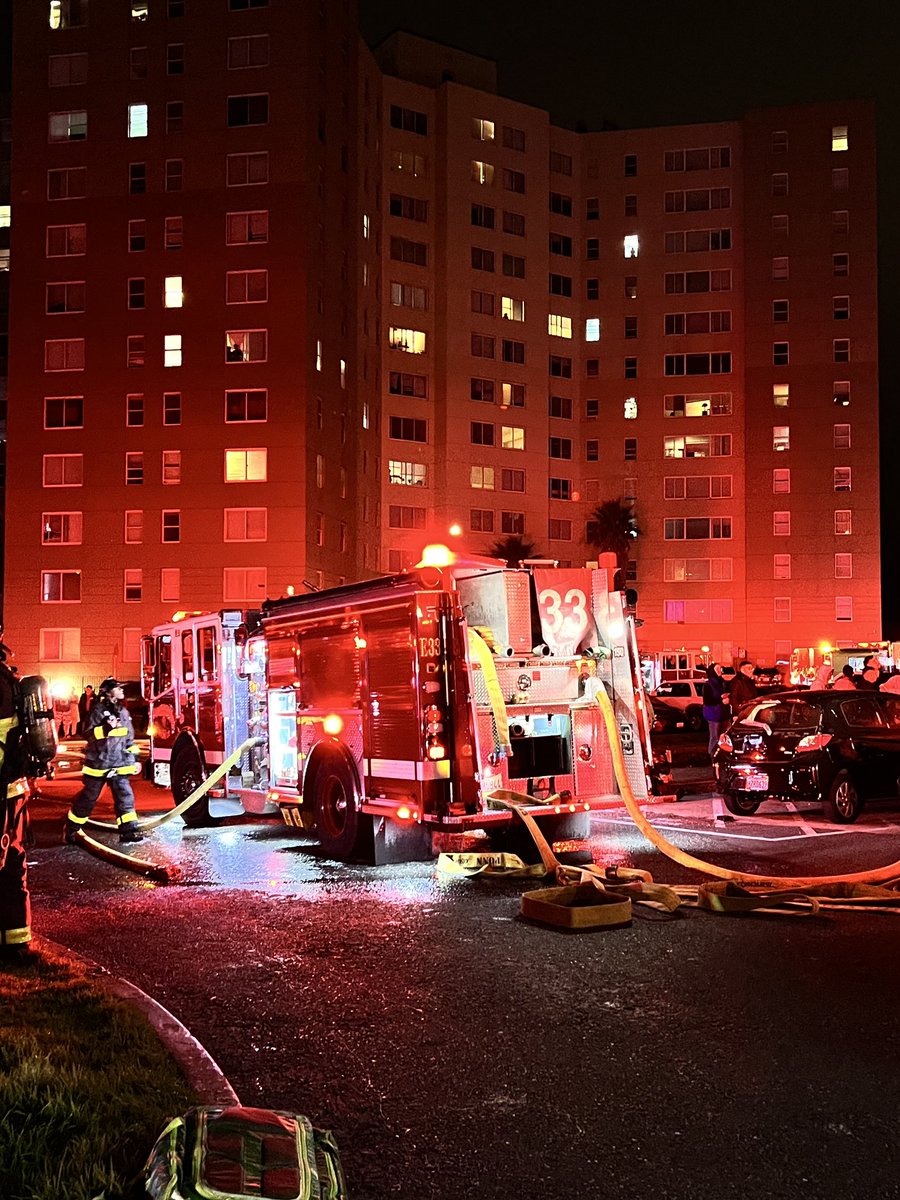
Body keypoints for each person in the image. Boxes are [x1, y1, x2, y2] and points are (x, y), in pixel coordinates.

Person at [64, 678, 145, 844]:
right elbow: (88, 734)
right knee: (88, 799)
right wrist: (106, 729)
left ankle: (128, 831)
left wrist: (135, 759)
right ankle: (71, 829)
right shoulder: (98, 711)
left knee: (125, 798)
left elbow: (129, 740)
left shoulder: (123, 712)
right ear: (108, 692)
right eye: (118, 688)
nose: (122, 691)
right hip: (99, 764)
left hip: (120, 764)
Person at [0, 634, 33, 962]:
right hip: (11, 792)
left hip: (6, 789)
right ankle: (16, 943)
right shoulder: (10, 681)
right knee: (11, 863)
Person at [702, 663, 730, 758]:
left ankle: (723, 754)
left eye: (720, 669)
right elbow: (707, 700)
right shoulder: (708, 685)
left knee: (724, 735)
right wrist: (721, 700)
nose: (719, 671)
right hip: (713, 714)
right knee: (714, 736)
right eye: (717, 669)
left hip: (724, 714)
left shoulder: (723, 682)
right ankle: (713, 755)